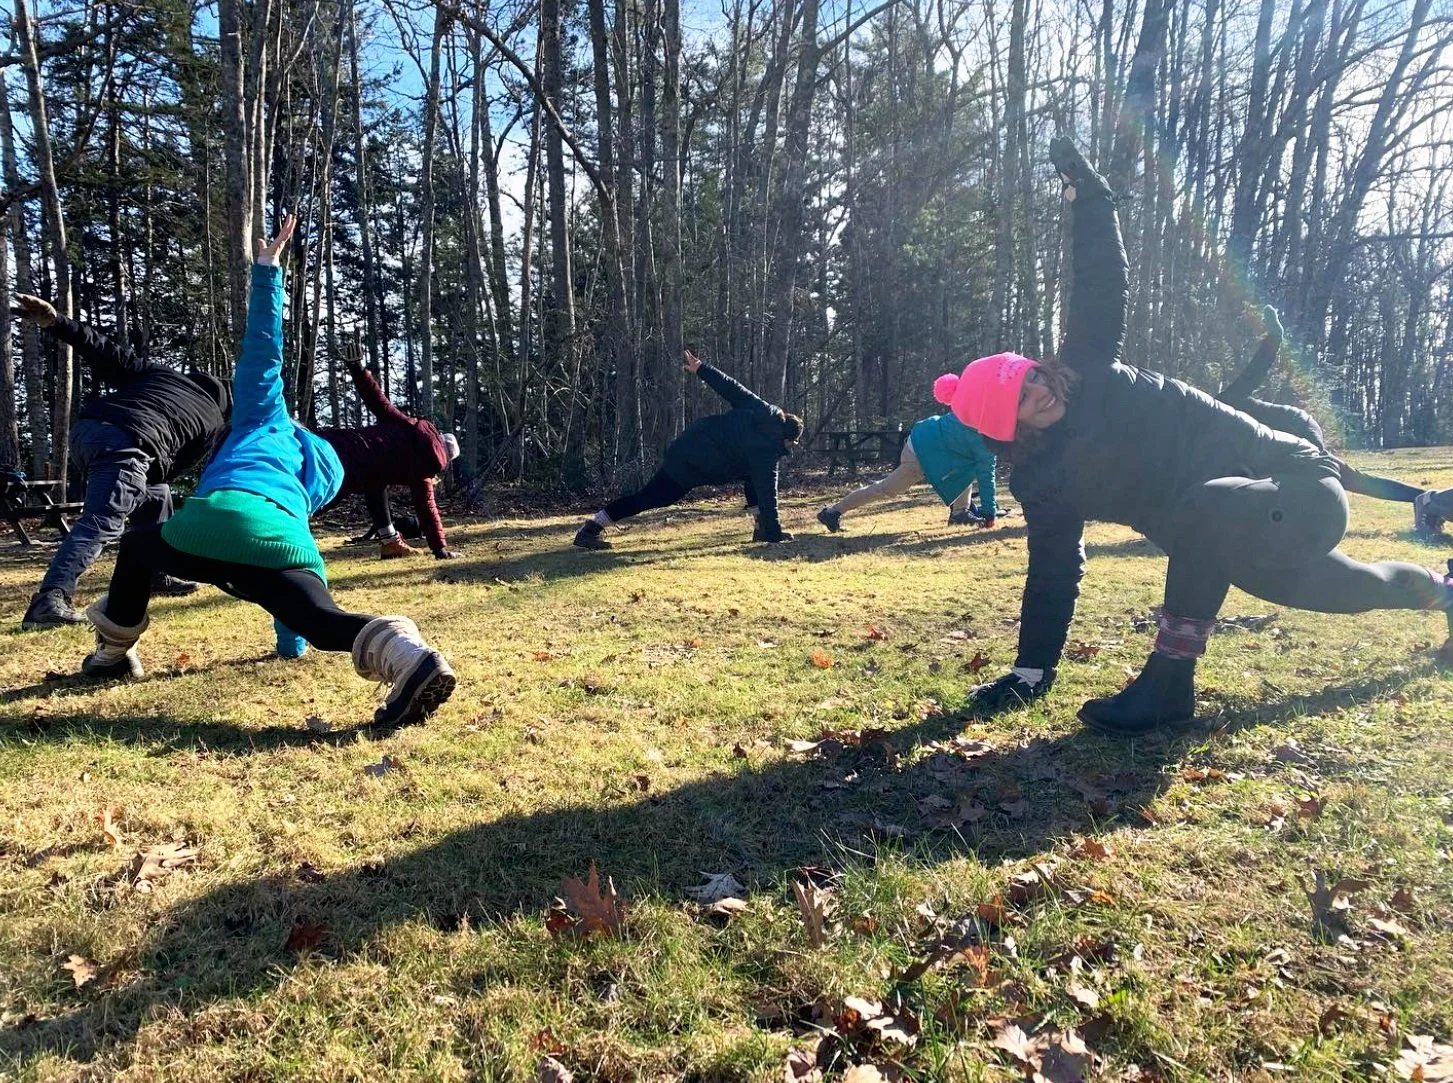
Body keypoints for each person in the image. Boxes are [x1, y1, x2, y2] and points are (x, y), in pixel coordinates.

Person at [952, 137, 1452, 737]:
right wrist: (1030, 670)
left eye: (1030, 375)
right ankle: (1446, 591)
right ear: (1006, 429)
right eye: (1019, 398)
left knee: (1204, 505)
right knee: (1354, 588)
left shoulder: (1090, 367)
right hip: (1219, 539)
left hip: (1295, 484)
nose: (1038, 390)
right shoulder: (1042, 481)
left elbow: (1100, 278)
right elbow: (1053, 571)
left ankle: (1168, 684)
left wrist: (1090, 197)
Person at [77, 215, 456, 733]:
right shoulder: (323, 474)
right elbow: (291, 537)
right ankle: (409, 656)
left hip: (214, 524)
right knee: (323, 621)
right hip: (282, 540)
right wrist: (290, 642)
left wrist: (267, 271)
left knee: (140, 545)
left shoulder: (263, 418)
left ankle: (113, 652)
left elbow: (263, 350)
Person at [15, 297, 229, 629]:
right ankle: (50, 599)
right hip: (127, 443)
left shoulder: (160, 375)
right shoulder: (215, 417)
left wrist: (57, 321)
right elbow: (182, 463)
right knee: (103, 520)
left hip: (88, 432)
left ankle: (155, 572)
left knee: (157, 494)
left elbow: (107, 352)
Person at [573, 350, 803, 549]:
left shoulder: (762, 410)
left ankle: (762, 528)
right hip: (692, 463)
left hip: (692, 441)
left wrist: (701, 368)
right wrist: (775, 536)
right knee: (651, 498)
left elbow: (732, 388)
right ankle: (591, 529)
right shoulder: (767, 453)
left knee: (751, 477)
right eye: (793, 443)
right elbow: (768, 495)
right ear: (787, 439)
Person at [1218, 307, 1435, 516]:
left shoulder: (1222, 404)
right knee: (1353, 480)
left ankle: (1430, 501)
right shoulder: (1204, 437)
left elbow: (1255, 371)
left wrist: (1274, 336)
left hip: (1296, 429)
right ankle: (1425, 498)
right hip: (1281, 446)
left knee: (1332, 477)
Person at [316, 333, 462, 561]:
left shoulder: (409, 426)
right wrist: (440, 550)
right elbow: (428, 510)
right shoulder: (423, 471)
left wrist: (357, 368)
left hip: (338, 443)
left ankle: (390, 543)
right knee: (312, 499)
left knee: (370, 485)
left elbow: (376, 400)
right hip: (346, 470)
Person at [816, 409, 999, 533]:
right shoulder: (986, 438)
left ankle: (960, 512)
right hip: (919, 451)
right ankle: (832, 512)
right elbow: (986, 476)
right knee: (887, 489)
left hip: (928, 443)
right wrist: (989, 514)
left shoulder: (974, 410)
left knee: (965, 469)